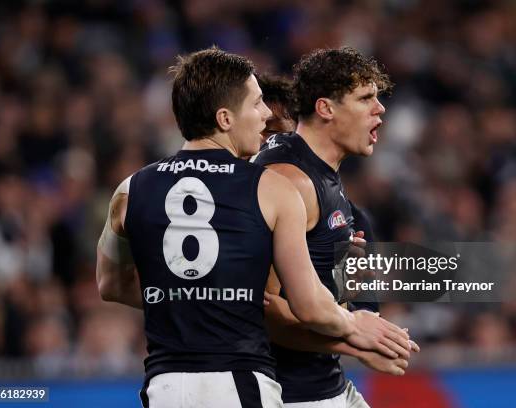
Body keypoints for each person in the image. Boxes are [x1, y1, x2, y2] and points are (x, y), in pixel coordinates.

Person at [96, 47, 411, 408]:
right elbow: (309, 305)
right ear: (226, 118)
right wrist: (356, 330)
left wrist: (188, 298)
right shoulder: (270, 187)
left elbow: (111, 284)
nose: (266, 116)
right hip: (240, 381)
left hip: (163, 384)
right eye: (257, 104)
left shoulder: (130, 189)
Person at [255, 48, 415, 407]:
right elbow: (263, 309)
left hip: (327, 384)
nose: (380, 109)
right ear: (325, 108)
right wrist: (356, 340)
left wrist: (356, 311)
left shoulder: (327, 181)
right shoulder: (289, 180)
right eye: (365, 99)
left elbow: (341, 301)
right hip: (290, 394)